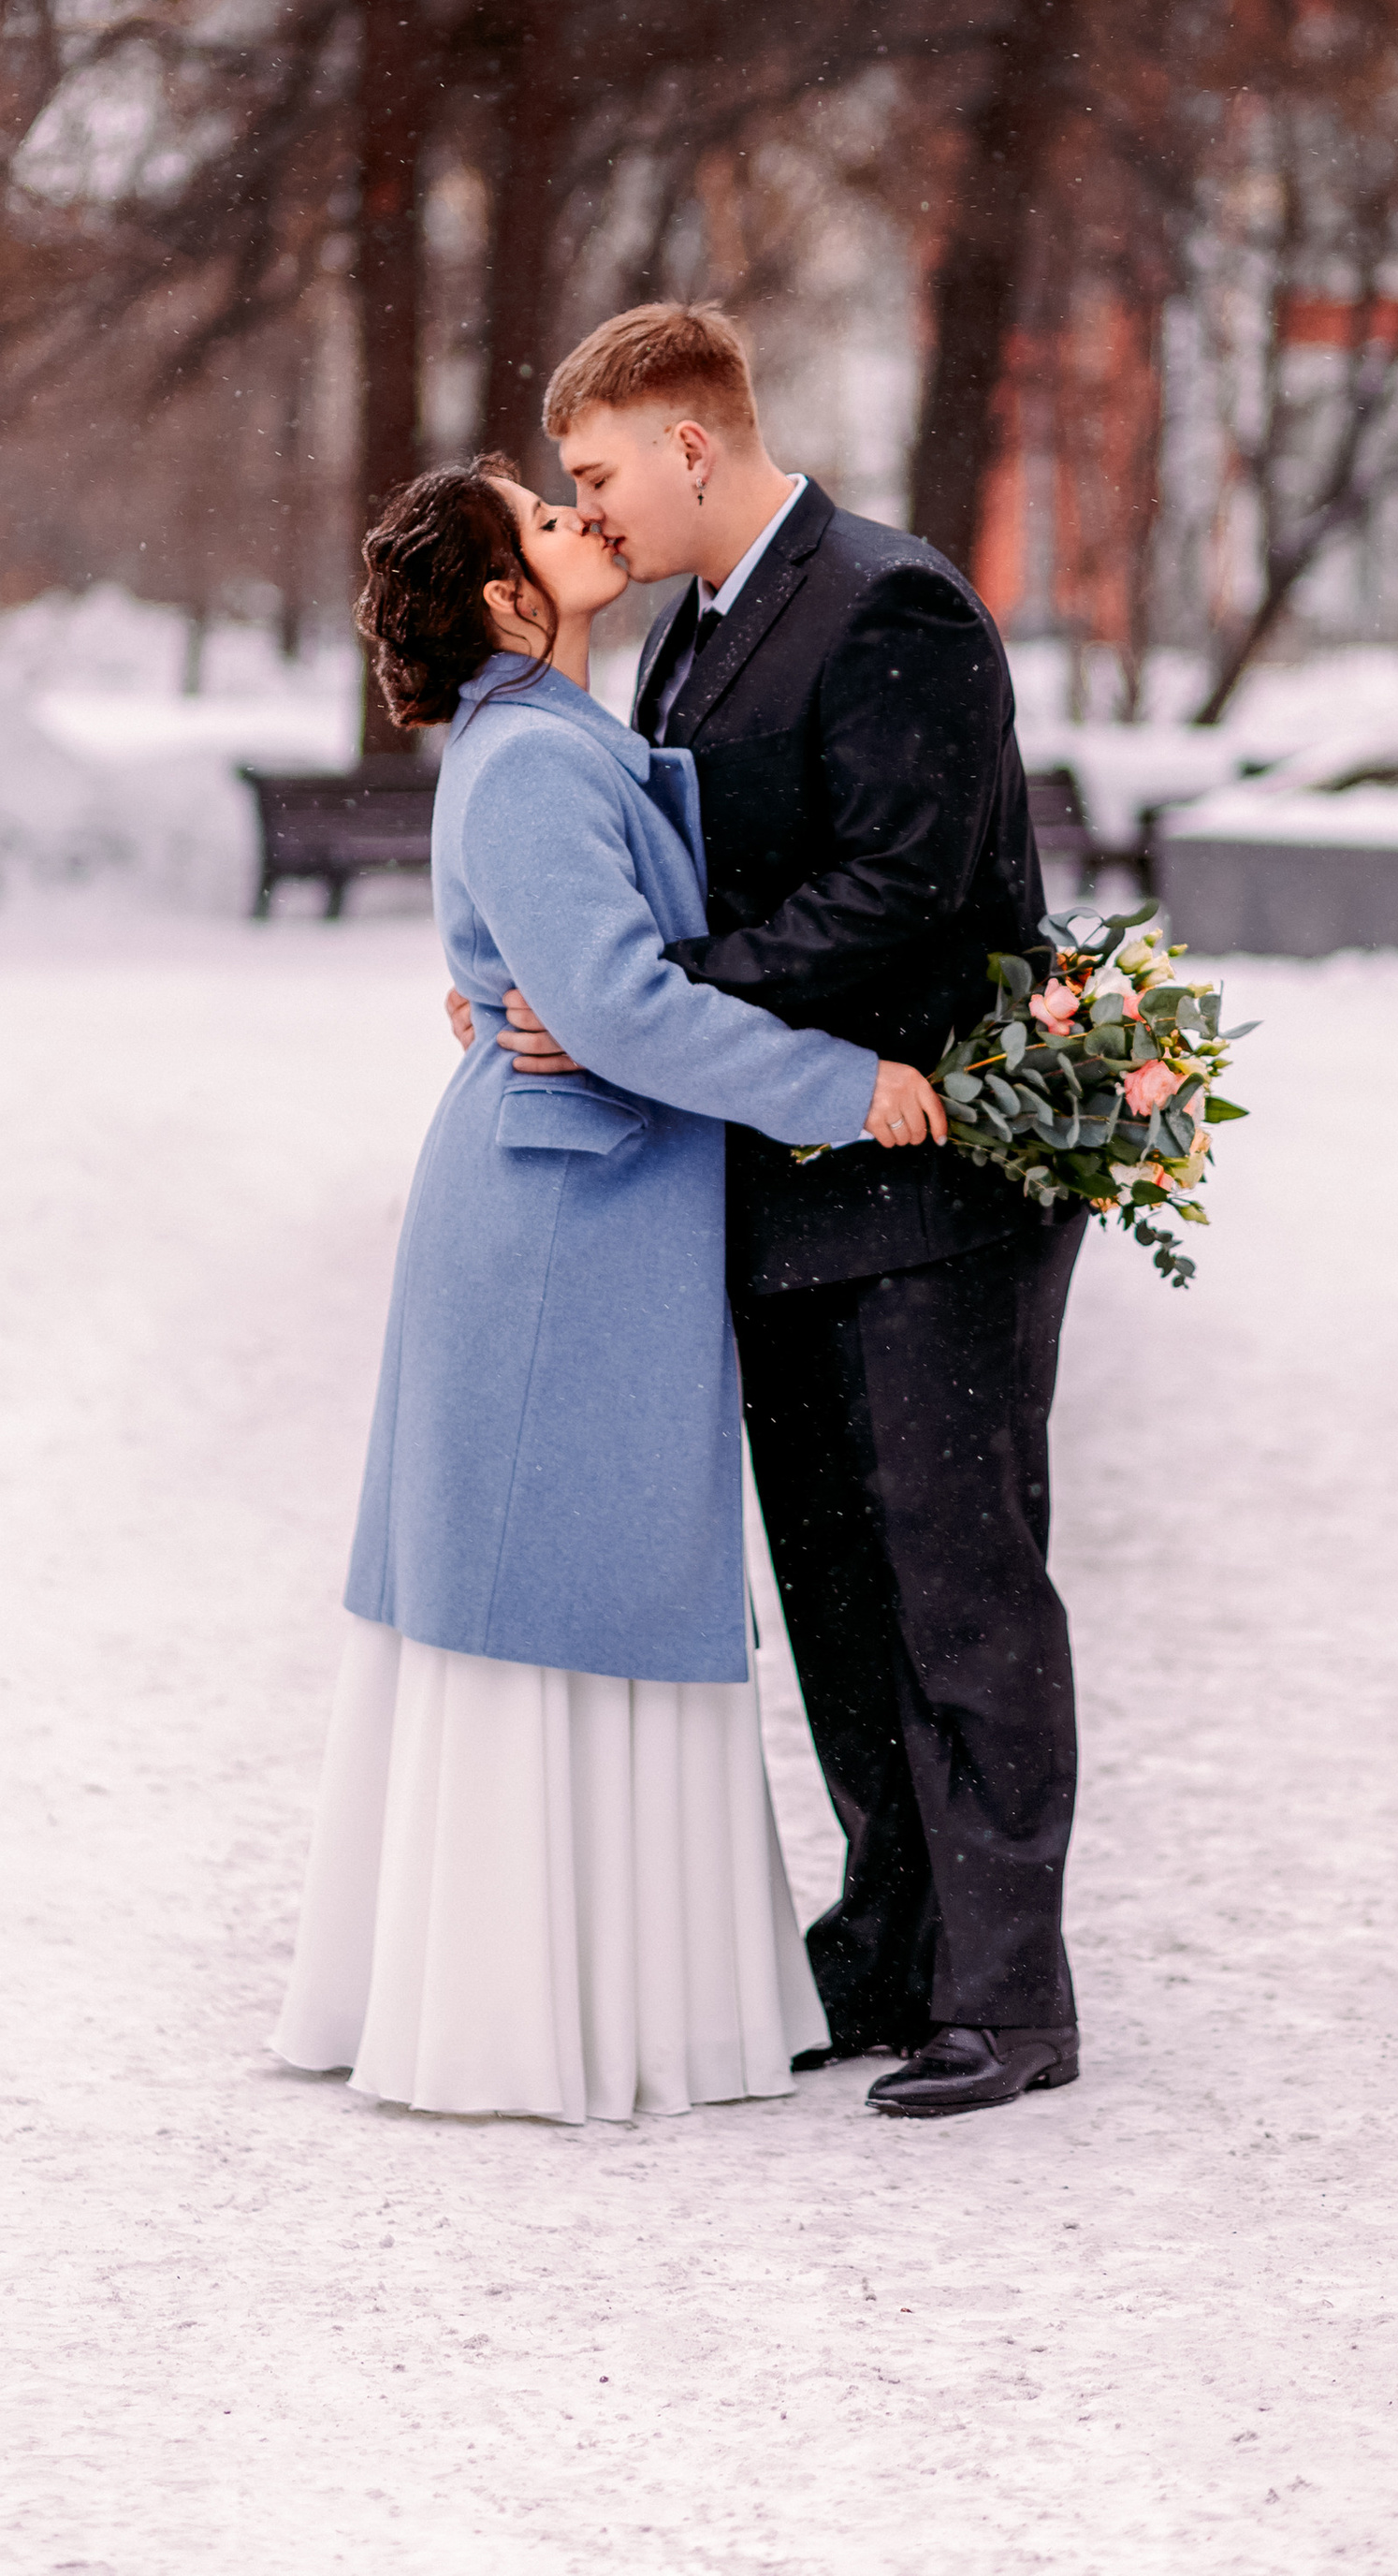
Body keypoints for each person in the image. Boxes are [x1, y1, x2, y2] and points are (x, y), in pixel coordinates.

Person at [271, 456, 950, 2125]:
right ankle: (523, 2010)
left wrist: (510, 973)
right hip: (561, 1222)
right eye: (547, 518)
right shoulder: (526, 761)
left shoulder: (553, 736)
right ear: (510, 600)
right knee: (554, 1597)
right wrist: (841, 1083)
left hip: (591, 1202)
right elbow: (627, 1012)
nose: (586, 523)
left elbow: (590, 965)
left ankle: (589, 1990)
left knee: (591, 1593)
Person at [470, 303, 1085, 2119]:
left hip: (930, 1192)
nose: (587, 516)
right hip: (783, 1194)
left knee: (957, 1590)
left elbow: (899, 899)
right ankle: (887, 1943)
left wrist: (651, 991)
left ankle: (1011, 1993)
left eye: (594, 477)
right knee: (831, 1590)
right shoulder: (687, 640)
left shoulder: (888, 604)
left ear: (690, 441)